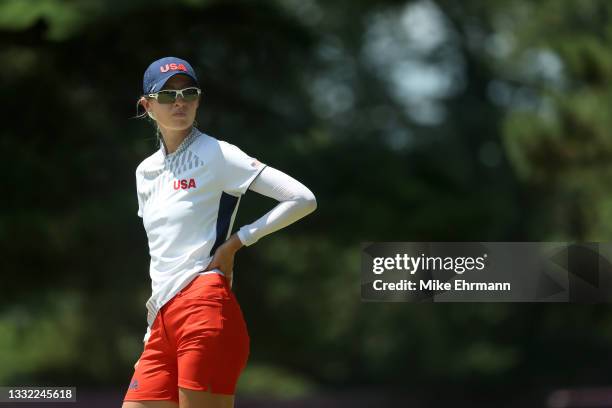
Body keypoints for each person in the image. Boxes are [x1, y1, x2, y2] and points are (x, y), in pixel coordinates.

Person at [122, 56, 317, 408]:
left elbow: (302, 199)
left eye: (188, 93)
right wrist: (154, 332)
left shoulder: (218, 154)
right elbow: (163, 256)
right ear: (147, 105)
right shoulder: (144, 172)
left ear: (198, 100)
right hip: (161, 321)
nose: (179, 102)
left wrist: (237, 242)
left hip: (204, 306)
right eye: (167, 95)